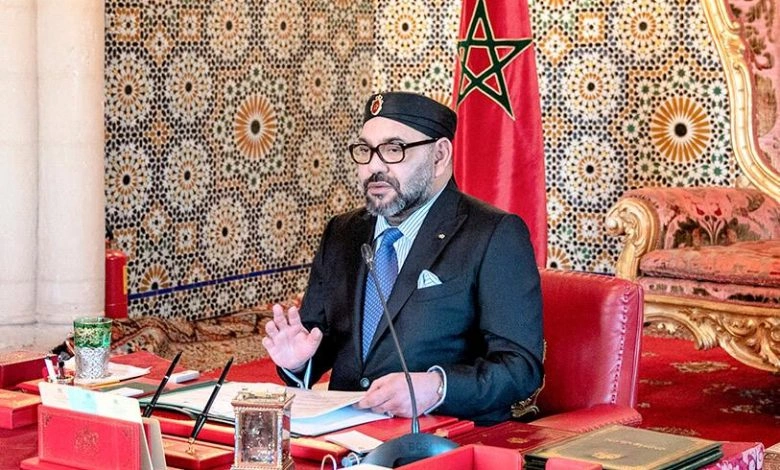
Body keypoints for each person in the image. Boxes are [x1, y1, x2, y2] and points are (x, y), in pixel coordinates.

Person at [262, 91, 543, 424]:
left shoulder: (493, 234)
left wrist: (438, 387)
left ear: (439, 156)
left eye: (394, 150)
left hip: (441, 435)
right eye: (365, 151)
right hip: (344, 432)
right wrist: (297, 362)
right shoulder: (343, 233)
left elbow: (520, 369)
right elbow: (318, 342)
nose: (374, 167)